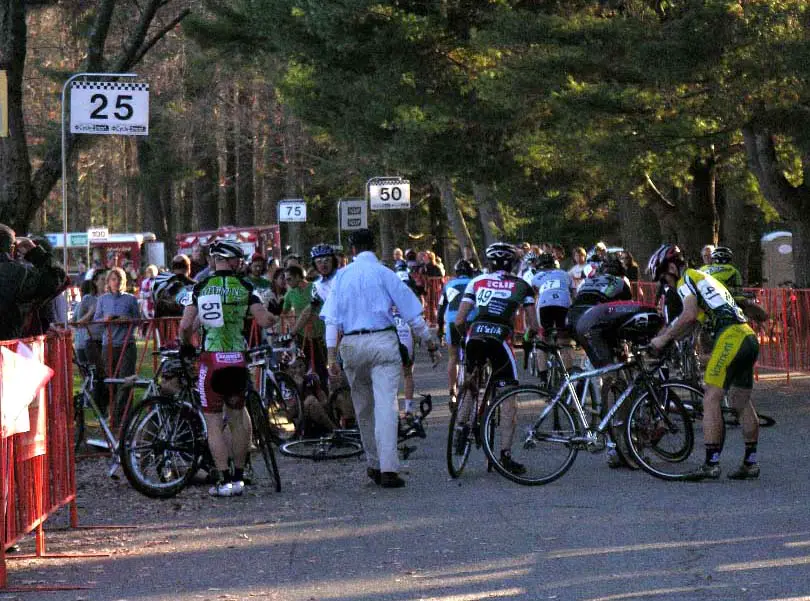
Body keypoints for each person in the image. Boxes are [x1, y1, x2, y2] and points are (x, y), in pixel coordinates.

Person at [320, 228, 438, 489]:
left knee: (363, 408)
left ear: (352, 250)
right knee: (386, 406)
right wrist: (429, 342)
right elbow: (412, 315)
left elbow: (331, 320)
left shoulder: (341, 278)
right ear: (373, 247)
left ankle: (372, 462)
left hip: (351, 343)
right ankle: (388, 468)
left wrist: (331, 356)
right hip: (382, 340)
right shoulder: (386, 273)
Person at [648, 244, 761, 481]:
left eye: (663, 278)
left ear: (671, 267)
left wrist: (663, 339)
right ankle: (750, 463)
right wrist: (668, 337)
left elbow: (688, 314)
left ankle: (711, 464)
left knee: (711, 397)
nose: (665, 285)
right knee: (741, 400)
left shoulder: (685, 279)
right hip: (747, 336)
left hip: (731, 337)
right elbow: (690, 322)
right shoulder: (704, 279)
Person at [178, 240, 277, 497]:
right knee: (237, 416)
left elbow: (185, 326)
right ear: (231, 261)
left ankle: (222, 480)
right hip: (237, 360)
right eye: (238, 260)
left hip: (211, 360)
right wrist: (275, 314)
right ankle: (239, 475)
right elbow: (265, 320)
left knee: (213, 422)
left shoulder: (200, 287)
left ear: (215, 260)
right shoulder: (246, 286)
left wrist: (186, 346)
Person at [453, 242, 538, 475]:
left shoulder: (476, 281)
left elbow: (459, 321)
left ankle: (461, 426)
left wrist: (465, 338)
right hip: (501, 340)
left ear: (489, 263)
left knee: (470, 384)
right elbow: (533, 325)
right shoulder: (523, 286)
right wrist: (530, 339)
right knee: (508, 397)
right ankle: (505, 455)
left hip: (475, 335)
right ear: (513, 263)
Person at [0, 226, 67, 342]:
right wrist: (34, 251)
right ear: (12, 249)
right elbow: (57, 279)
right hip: (8, 352)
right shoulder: (20, 274)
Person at [93, 267, 140, 426]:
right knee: (110, 381)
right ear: (108, 282)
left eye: (119, 279)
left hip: (127, 343)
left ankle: (125, 417)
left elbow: (138, 321)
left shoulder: (131, 299)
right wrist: (106, 319)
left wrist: (127, 319)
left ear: (124, 281)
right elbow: (96, 320)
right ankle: (112, 416)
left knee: (126, 380)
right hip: (109, 344)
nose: (116, 282)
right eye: (113, 279)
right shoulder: (102, 299)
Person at [529, 252, 575, 383]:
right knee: (565, 343)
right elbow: (574, 294)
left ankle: (543, 378)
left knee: (543, 341)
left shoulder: (536, 277)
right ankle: (570, 378)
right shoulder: (565, 274)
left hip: (545, 307)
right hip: (564, 306)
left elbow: (532, 298)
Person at [437, 259, 477, 406]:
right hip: (471, 320)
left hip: (453, 321)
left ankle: (452, 391)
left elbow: (441, 310)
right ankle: (471, 388)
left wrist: (440, 330)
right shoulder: (475, 282)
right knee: (474, 357)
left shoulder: (448, 284)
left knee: (453, 356)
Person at [283, 264, 328, 386]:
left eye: (289, 279)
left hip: (319, 334)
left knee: (321, 368)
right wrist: (291, 324)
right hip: (302, 336)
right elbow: (283, 313)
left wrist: (294, 329)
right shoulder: (290, 294)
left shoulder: (315, 288)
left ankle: (325, 396)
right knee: (303, 368)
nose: (287, 282)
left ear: (298, 276)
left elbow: (310, 310)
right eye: (285, 279)